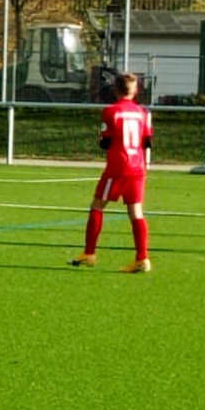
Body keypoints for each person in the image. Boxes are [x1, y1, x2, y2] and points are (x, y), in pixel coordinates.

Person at [71, 71, 154, 273]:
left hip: (118, 167)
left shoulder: (111, 111)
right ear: (135, 91)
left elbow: (105, 143)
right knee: (136, 212)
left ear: (115, 89)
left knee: (97, 205)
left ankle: (89, 253)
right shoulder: (143, 113)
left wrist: (103, 139)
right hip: (138, 167)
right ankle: (142, 258)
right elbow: (148, 142)